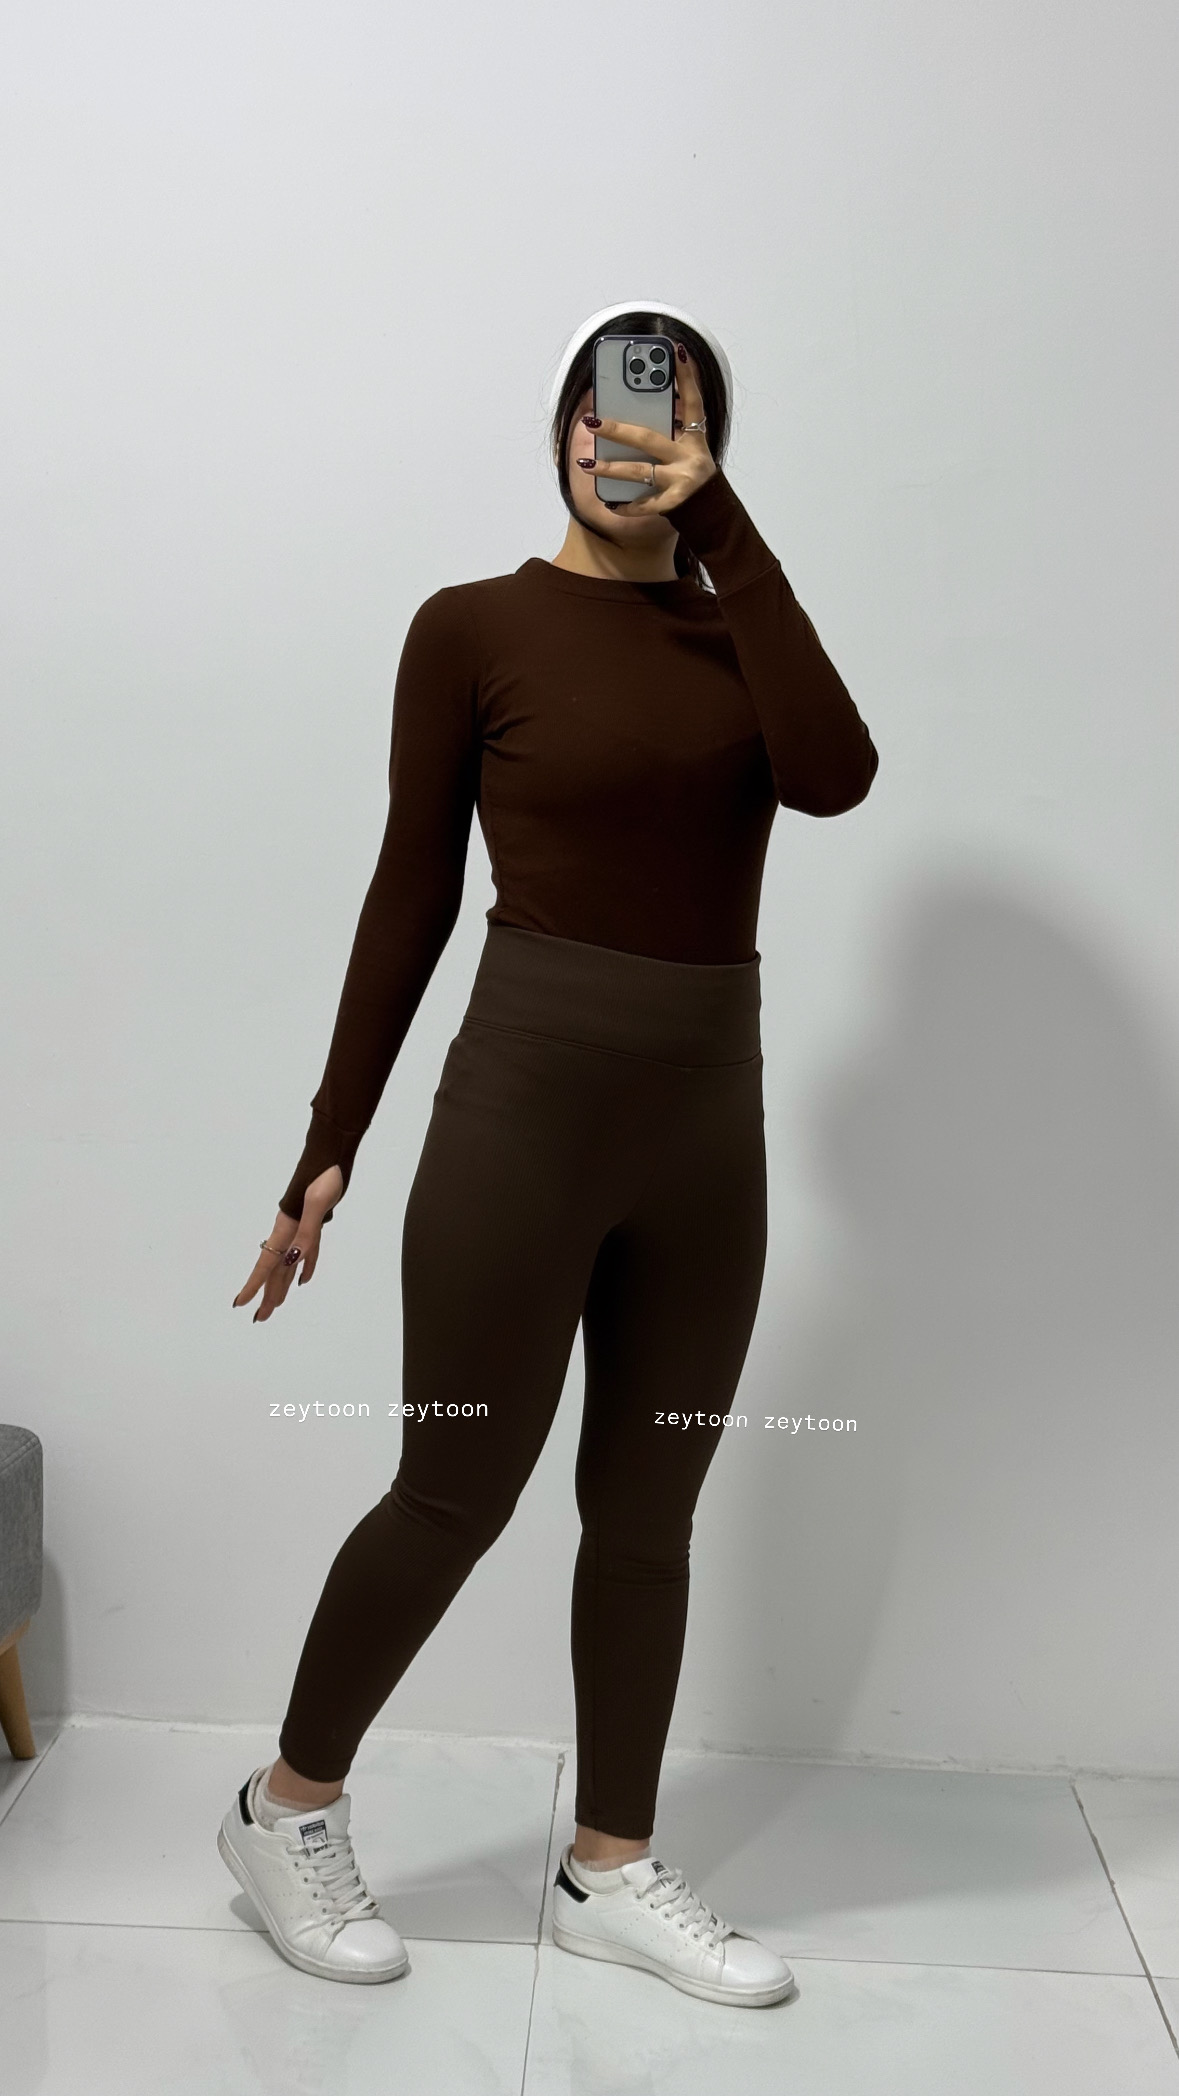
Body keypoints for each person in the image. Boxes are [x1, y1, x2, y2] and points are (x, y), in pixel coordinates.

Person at [218, 302, 878, 2006]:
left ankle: (610, 1865)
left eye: (664, 411)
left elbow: (837, 779)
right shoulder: (472, 628)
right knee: (455, 1487)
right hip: (523, 1112)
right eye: (598, 404)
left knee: (648, 1513)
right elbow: (411, 891)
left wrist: (727, 536)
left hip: (704, 1130)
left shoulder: (744, 636)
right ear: (560, 429)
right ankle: (285, 1809)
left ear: (706, 447)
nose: (622, 433)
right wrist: (329, 1142)